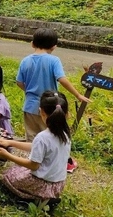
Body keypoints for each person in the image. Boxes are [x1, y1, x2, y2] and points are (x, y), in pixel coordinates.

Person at [17, 28, 89, 173]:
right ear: (54, 46)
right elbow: (61, 79)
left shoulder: (25, 61)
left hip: (30, 106)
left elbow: (19, 82)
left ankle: (31, 167)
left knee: (32, 139)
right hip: (50, 107)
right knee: (52, 138)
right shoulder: (53, 60)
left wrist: (29, 92)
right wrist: (78, 95)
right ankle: (56, 166)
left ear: (32, 44)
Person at [0, 91, 71, 210]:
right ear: (66, 114)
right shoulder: (65, 134)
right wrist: (11, 142)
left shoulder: (43, 137)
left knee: (8, 175)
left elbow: (33, 165)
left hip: (41, 184)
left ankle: (33, 199)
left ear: (41, 112)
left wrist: (7, 155)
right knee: (18, 171)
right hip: (58, 184)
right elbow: (36, 147)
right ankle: (47, 198)